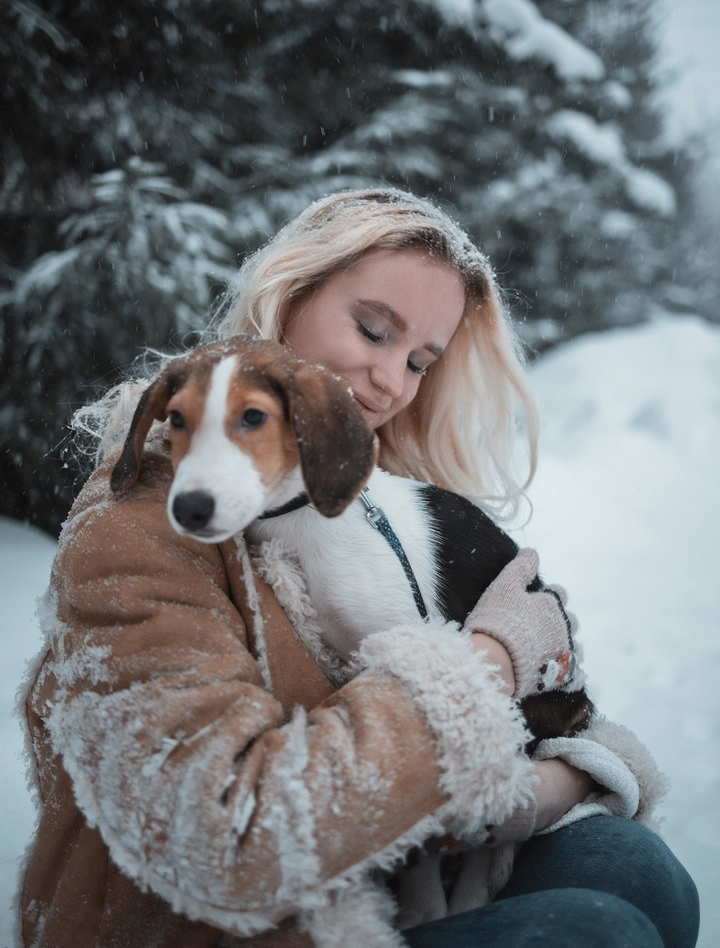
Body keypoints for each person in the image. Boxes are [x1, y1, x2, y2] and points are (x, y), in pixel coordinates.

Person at [20, 188, 699, 948]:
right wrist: (484, 662)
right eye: (373, 330)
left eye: (418, 361)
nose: (389, 381)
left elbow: (550, 702)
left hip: (396, 877)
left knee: (637, 868)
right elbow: (228, 839)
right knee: (595, 930)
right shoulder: (144, 527)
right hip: (226, 926)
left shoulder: (372, 498)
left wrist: (561, 779)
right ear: (289, 292)